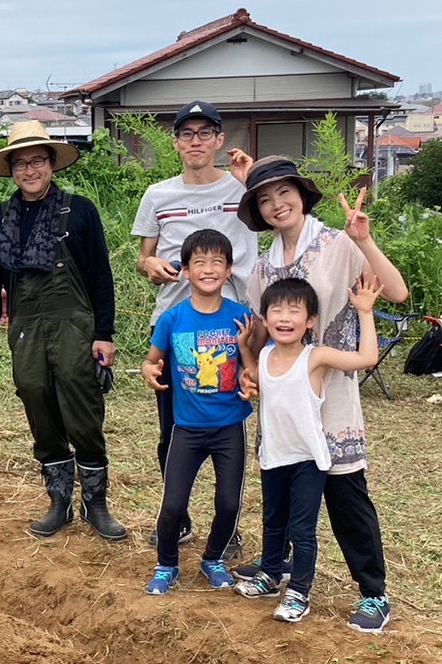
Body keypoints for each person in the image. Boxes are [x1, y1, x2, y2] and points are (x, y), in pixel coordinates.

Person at [234, 156, 409, 632]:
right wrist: (250, 372)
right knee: (285, 491)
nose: (276, 205)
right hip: (284, 400)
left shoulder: (336, 244)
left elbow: (395, 292)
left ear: (301, 195)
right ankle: (280, 569)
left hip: (333, 391)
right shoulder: (264, 267)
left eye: (283, 193)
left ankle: (374, 593)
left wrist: (364, 239)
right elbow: (261, 334)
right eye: (264, 200)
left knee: (345, 493)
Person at [0, 121, 126, 541]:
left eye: (37, 160)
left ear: (52, 163)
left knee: (81, 407)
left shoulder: (80, 210)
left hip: (75, 323)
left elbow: (101, 278)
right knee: (36, 399)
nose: (29, 170)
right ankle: (59, 501)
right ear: (11, 169)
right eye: (20, 163)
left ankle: (97, 504)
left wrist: (104, 334)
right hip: (25, 328)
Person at [131, 101, 259, 554]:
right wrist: (151, 266)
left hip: (234, 325)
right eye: (187, 134)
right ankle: (178, 517)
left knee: (231, 422)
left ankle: (228, 526)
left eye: (206, 133)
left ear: (220, 140)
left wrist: (251, 179)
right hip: (176, 325)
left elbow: (278, 211)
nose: (196, 141)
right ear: (176, 142)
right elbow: (144, 255)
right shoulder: (158, 195)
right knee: (173, 432)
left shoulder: (241, 187)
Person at [235, 276, 383, 622]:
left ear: (310, 321)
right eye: (276, 310)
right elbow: (255, 377)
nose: (284, 318)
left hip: (308, 461)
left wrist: (364, 312)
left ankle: (299, 592)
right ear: (265, 317)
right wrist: (245, 350)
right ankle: (270, 576)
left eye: (294, 311)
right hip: (273, 457)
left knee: (302, 531)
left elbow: (368, 357)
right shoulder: (267, 353)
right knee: (273, 523)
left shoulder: (315, 357)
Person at [139, 229, 254, 595]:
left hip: (229, 427)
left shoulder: (242, 317)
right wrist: (148, 371)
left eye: (217, 262)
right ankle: (167, 564)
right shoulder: (173, 319)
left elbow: (252, 366)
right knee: (173, 505)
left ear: (229, 270)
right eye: (199, 263)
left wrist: (246, 358)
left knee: (228, 502)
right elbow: (152, 360)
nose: (208, 269)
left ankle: (213, 559)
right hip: (186, 429)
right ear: (185, 271)